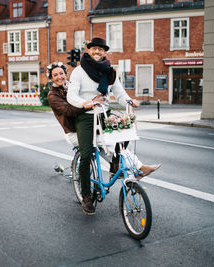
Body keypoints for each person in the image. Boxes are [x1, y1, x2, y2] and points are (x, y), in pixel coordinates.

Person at [67, 37, 160, 215]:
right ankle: (86, 196)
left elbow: (119, 93)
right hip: (85, 116)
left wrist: (130, 100)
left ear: (104, 53)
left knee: (124, 133)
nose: (97, 52)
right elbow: (71, 96)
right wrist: (85, 102)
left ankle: (115, 163)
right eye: (94, 49)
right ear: (89, 50)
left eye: (101, 50)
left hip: (103, 114)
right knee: (86, 155)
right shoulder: (79, 71)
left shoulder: (109, 72)